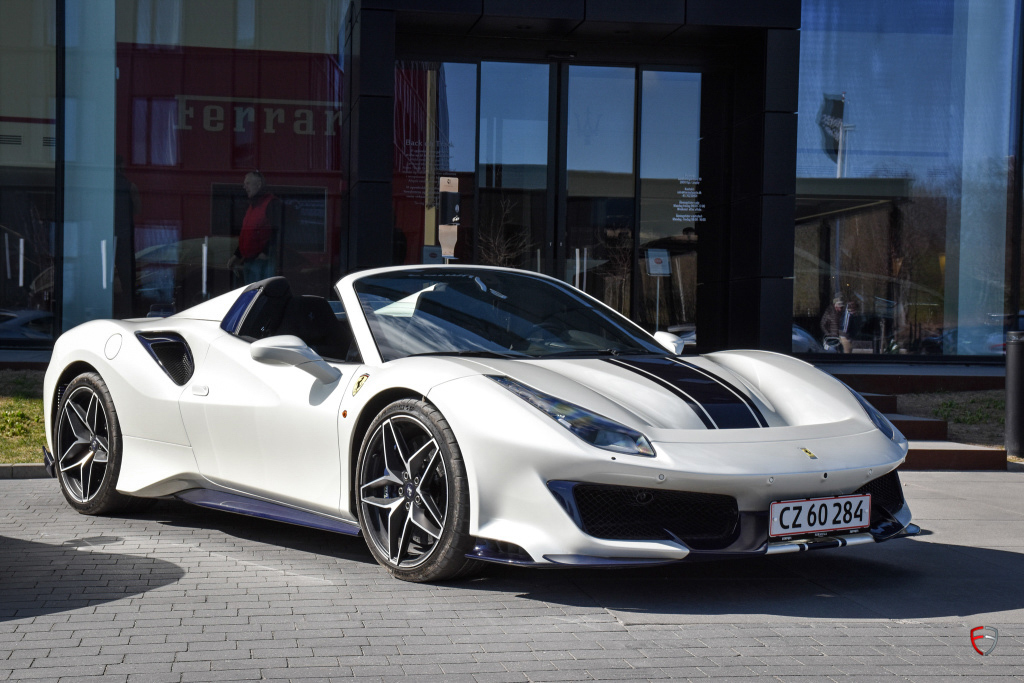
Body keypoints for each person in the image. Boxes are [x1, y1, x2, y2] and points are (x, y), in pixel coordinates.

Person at [227, 171, 282, 284]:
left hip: (261, 262)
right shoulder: (252, 207)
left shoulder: (271, 203)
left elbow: (277, 231)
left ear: (259, 184)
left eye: (247, 183)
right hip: (250, 260)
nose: (244, 187)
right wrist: (237, 255)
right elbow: (248, 236)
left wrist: (265, 252)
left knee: (260, 292)